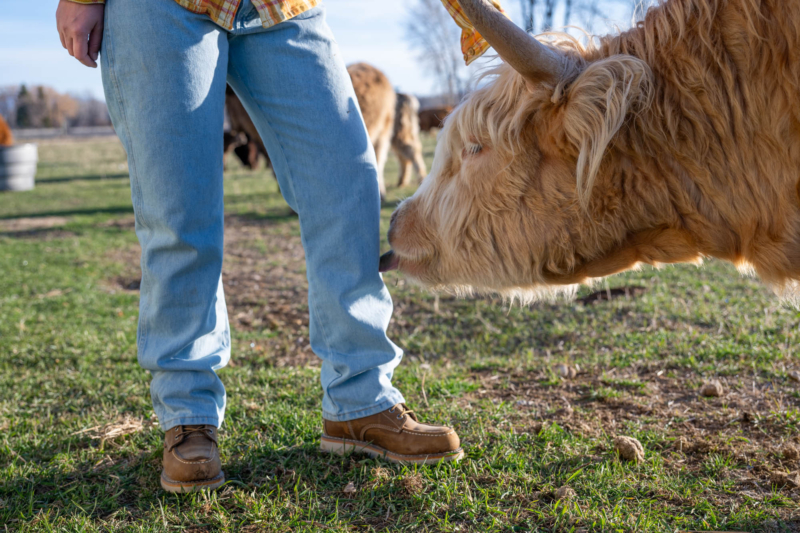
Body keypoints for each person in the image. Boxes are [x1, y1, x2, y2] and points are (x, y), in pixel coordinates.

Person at [56, 0, 502, 493]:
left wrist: (486, 22)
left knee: (346, 183)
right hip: (160, 11)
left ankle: (361, 402)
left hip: (281, 7)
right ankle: (188, 415)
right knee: (179, 210)